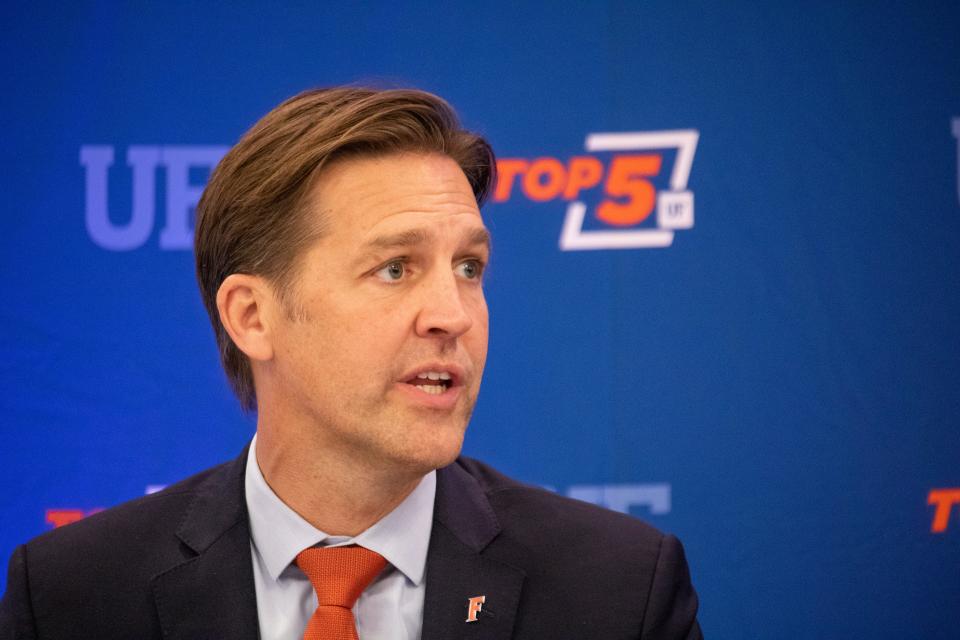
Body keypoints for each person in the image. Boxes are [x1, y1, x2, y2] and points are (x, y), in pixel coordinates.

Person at [0, 87, 702, 639]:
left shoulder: (618, 589)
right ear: (252, 316)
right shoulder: (73, 594)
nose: (452, 314)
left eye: (469, 266)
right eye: (395, 269)